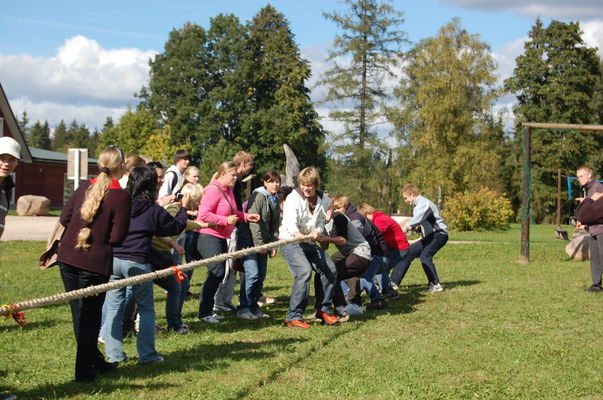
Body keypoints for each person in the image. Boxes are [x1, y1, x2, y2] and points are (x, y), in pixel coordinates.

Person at [56, 146, 131, 382]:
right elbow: (117, 236)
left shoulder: (82, 188)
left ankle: (93, 361)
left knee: (80, 315)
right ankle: (84, 371)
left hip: (68, 257)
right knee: (89, 317)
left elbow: (65, 218)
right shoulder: (121, 196)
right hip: (94, 261)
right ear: (122, 167)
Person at [103, 166, 188, 364]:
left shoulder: (118, 203)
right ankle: (147, 355)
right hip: (138, 262)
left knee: (115, 307)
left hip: (114, 261)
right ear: (150, 185)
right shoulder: (152, 209)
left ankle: (114, 355)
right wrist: (182, 210)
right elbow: (174, 226)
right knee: (146, 308)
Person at [196, 161, 260, 323]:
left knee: (219, 273)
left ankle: (208, 309)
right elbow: (203, 215)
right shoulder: (212, 190)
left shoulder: (229, 190)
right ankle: (204, 312)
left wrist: (245, 216)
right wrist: (225, 220)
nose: (235, 178)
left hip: (221, 236)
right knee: (216, 271)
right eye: (233, 175)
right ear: (223, 174)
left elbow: (233, 211)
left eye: (236, 175)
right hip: (208, 235)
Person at [278, 167, 338, 328]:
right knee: (304, 271)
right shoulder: (293, 198)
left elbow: (320, 221)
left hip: (308, 241)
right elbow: (290, 222)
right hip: (289, 240)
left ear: (315, 185)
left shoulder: (323, 198)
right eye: (303, 185)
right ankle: (293, 317)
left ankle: (323, 310)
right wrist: (297, 234)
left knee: (330, 269)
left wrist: (317, 231)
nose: (305, 188)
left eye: (309, 185)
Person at [236, 170, 281, 320]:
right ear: (265, 183)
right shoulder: (258, 196)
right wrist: (260, 246)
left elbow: (275, 224)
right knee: (252, 274)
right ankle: (243, 308)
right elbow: (254, 223)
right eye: (272, 181)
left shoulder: (275, 198)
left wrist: (272, 244)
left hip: (264, 243)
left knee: (260, 276)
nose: (275, 184)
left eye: (277, 181)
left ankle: (254, 307)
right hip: (248, 240)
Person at [214, 151, 256, 312]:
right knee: (224, 266)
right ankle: (217, 301)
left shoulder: (235, 184)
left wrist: (244, 217)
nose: (250, 169)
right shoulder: (227, 185)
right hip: (226, 229)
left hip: (235, 226)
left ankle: (226, 299)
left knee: (232, 266)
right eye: (250, 165)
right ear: (243, 164)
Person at [316, 200, 371, 319]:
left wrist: (324, 238)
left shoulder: (338, 217)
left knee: (331, 272)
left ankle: (340, 309)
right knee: (325, 273)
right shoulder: (323, 223)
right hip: (351, 254)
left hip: (361, 254)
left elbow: (343, 240)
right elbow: (324, 246)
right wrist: (316, 238)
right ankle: (324, 310)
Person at [333, 195, 389, 311]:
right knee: (332, 262)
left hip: (377, 253)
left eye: (337, 208)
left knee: (363, 276)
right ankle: (345, 296)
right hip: (365, 251)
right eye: (333, 209)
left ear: (345, 206)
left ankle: (377, 300)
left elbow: (352, 241)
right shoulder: (346, 216)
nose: (335, 211)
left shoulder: (355, 218)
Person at [392, 184, 448, 293]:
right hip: (431, 236)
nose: (405, 201)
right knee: (407, 253)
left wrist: (405, 229)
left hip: (439, 234)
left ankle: (435, 284)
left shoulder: (423, 203)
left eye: (405, 198)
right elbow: (421, 222)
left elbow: (417, 219)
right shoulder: (418, 205)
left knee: (425, 255)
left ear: (412, 194)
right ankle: (393, 283)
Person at [357, 203, 409, 299]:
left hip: (399, 249)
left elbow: (375, 235)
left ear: (365, 214)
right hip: (394, 248)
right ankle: (386, 290)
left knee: (381, 268)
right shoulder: (379, 217)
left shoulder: (380, 220)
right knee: (380, 268)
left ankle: (387, 291)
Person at [575, 166, 603, 292]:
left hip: (601, 229)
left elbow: (599, 210)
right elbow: (592, 212)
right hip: (593, 229)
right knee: (595, 259)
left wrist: (587, 201)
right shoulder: (588, 189)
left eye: (581, 176)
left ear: (589, 175)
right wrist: (585, 224)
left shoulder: (597, 187)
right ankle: (596, 285)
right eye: (578, 177)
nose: (579, 179)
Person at [0, 137, 20, 240]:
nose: (6, 163)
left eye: (12, 159)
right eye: (2, 158)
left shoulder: (6, 189)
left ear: (17, 163)